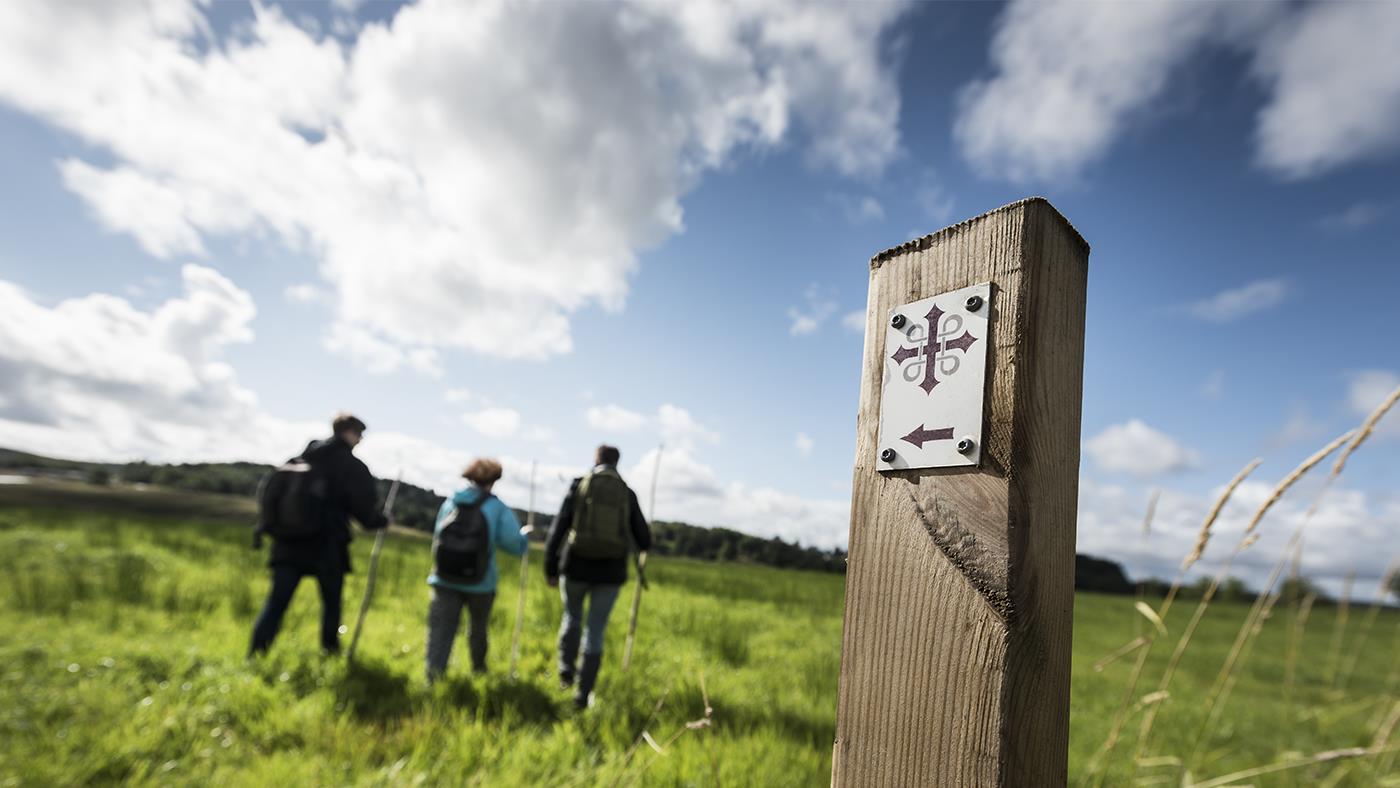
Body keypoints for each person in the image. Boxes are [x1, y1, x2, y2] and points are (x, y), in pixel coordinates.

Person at [249, 413, 388, 656]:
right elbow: (365, 514)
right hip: (327, 546)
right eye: (360, 434)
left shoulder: (300, 458)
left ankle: (257, 653)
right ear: (349, 432)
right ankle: (329, 651)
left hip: (288, 543)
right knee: (331, 604)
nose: (361, 439)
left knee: (276, 603)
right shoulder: (351, 466)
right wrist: (382, 521)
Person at [545, 444, 652, 709]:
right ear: (618, 462)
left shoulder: (579, 485)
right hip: (610, 572)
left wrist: (550, 565)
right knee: (595, 630)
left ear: (596, 459)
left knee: (572, 617)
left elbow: (559, 528)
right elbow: (644, 540)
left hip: (575, 567)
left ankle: (566, 673)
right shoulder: (627, 493)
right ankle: (582, 695)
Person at [425, 458, 528, 683]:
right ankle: (478, 672)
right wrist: (525, 538)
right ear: (494, 480)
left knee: (441, 630)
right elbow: (514, 544)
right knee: (478, 629)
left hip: (444, 577)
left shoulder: (452, 502)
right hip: (481, 582)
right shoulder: (497, 507)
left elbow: (437, 536)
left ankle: (433, 678)